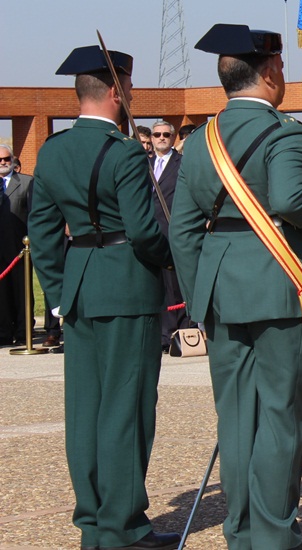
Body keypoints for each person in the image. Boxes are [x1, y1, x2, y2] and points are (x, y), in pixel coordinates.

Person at [170, 24, 302, 550]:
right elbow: (294, 202)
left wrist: (199, 295)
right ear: (271, 73)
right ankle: (274, 535)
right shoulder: (286, 133)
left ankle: (241, 530)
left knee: (236, 417)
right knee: (281, 414)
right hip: (280, 285)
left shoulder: (199, 139)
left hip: (222, 288)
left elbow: (182, 229)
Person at [28, 45, 179, 549]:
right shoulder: (124, 152)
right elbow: (142, 230)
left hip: (79, 286)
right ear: (116, 92)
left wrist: (57, 292)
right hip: (127, 285)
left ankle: (92, 521)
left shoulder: (52, 151)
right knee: (127, 408)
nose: (133, 95)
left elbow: (44, 233)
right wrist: (171, 255)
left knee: (85, 410)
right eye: (130, 88)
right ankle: (124, 525)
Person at [149, 120, 195, 351]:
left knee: (175, 284)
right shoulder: (143, 164)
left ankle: (179, 332)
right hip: (149, 232)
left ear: (173, 136)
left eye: (166, 134)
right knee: (155, 284)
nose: (161, 138)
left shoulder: (183, 163)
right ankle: (160, 333)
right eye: (157, 134)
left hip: (173, 230)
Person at [0, 144, 32, 346]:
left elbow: (33, 214)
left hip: (20, 249)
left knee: (22, 292)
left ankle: (23, 332)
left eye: (6, 159)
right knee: (2, 294)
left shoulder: (27, 182)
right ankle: (4, 332)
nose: (3, 163)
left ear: (13, 159)